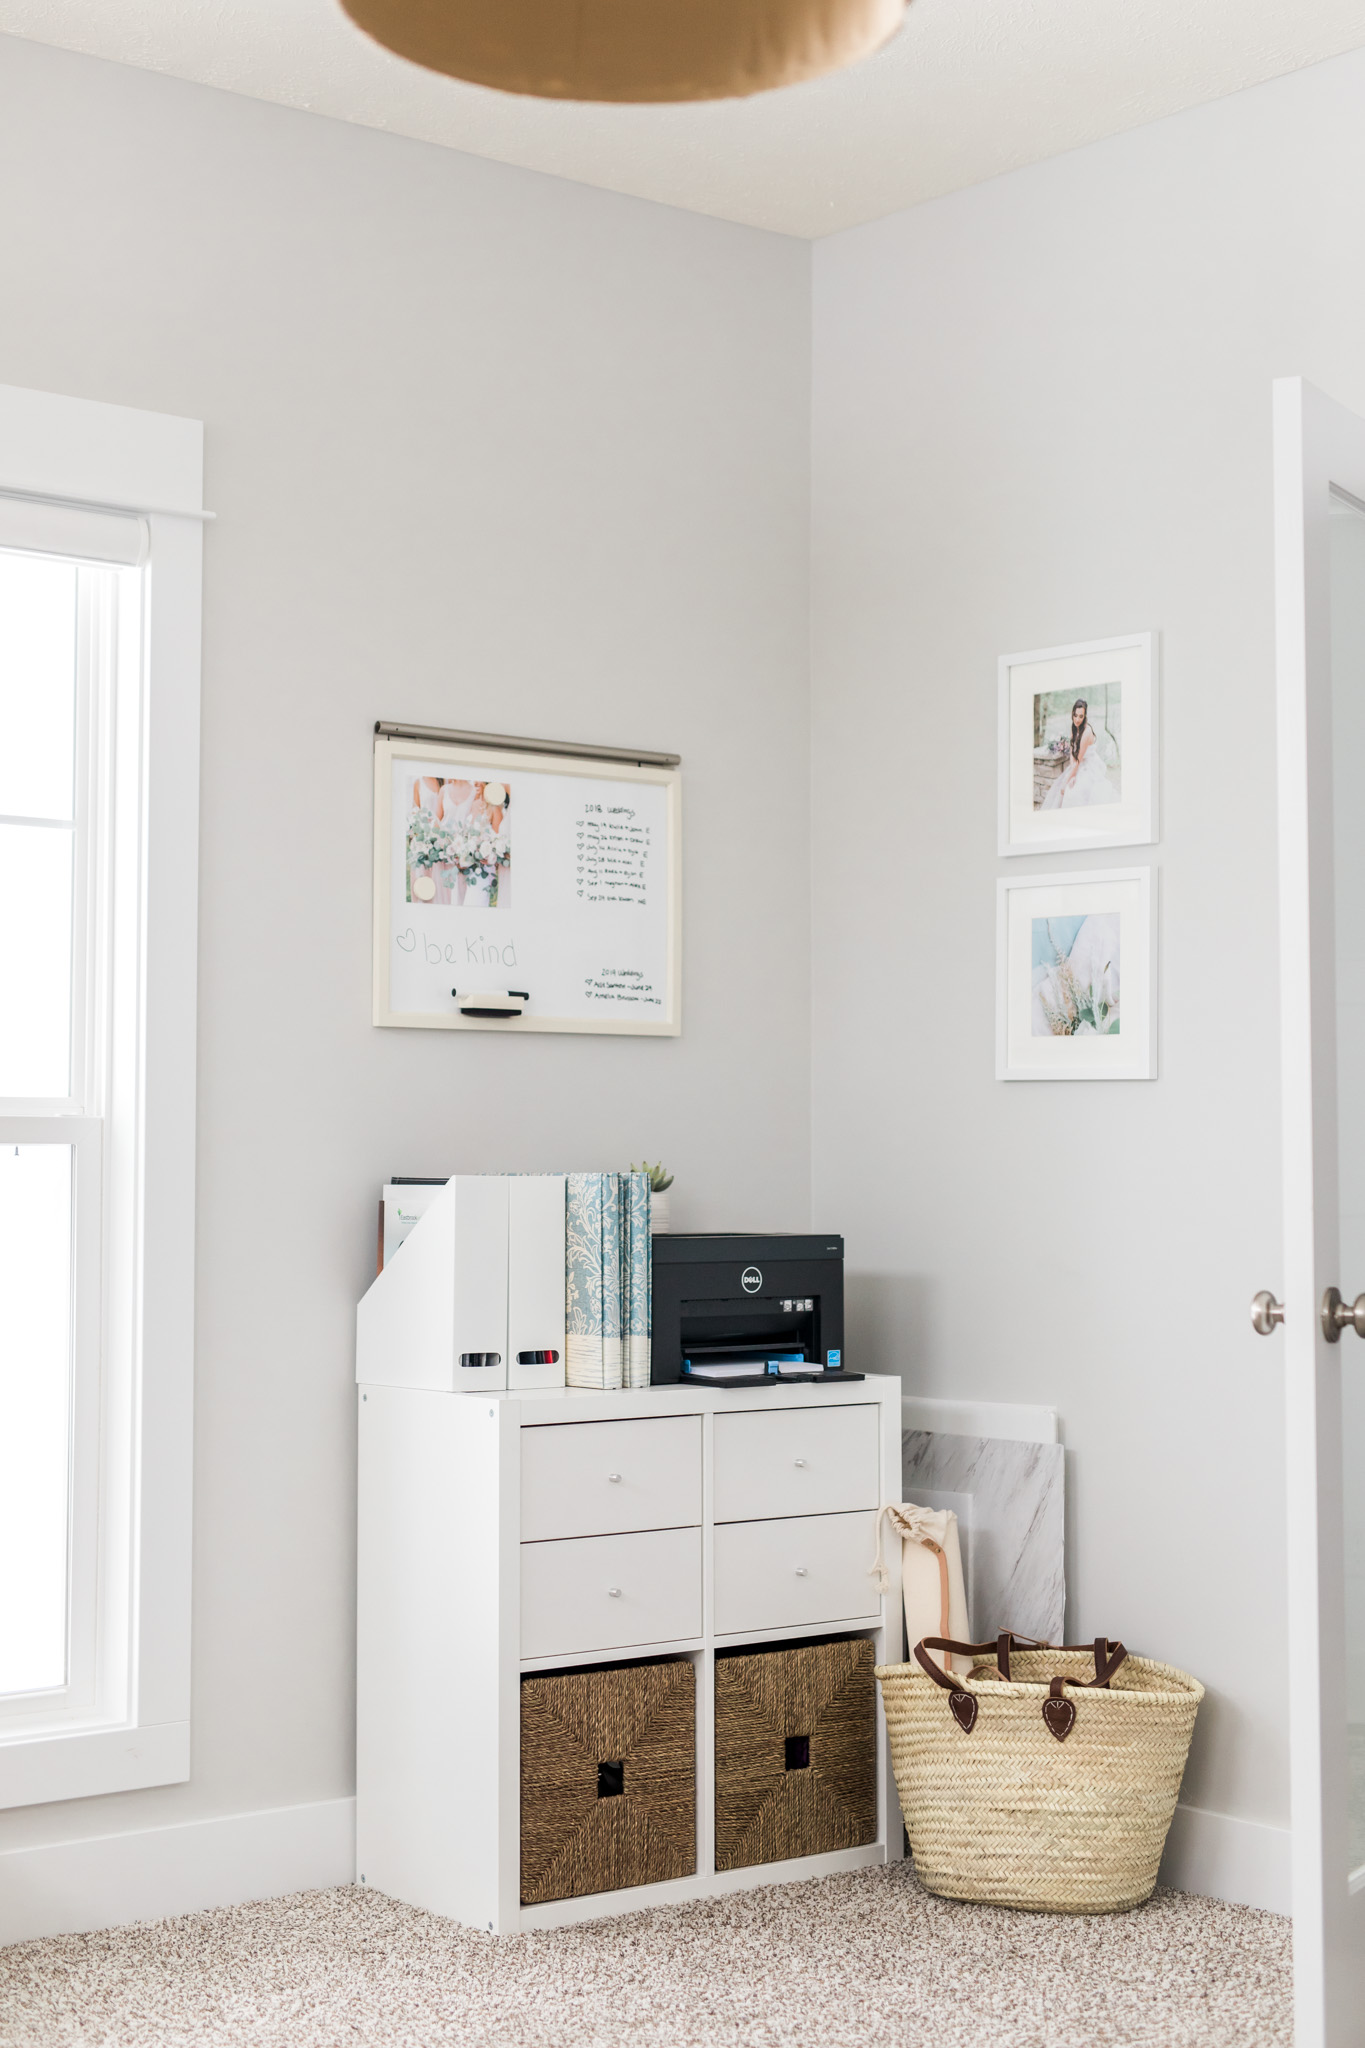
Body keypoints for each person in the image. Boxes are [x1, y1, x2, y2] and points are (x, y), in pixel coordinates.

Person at [1040, 698, 1117, 809]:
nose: (1077, 719)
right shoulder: (1074, 728)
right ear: (1072, 714)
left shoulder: (1086, 732)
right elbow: (1072, 751)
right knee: (1062, 787)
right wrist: (1072, 769)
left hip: (1088, 766)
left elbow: (1079, 759)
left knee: (1073, 790)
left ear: (1085, 716)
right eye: (1075, 715)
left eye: (1081, 716)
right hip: (1077, 764)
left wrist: (1070, 779)